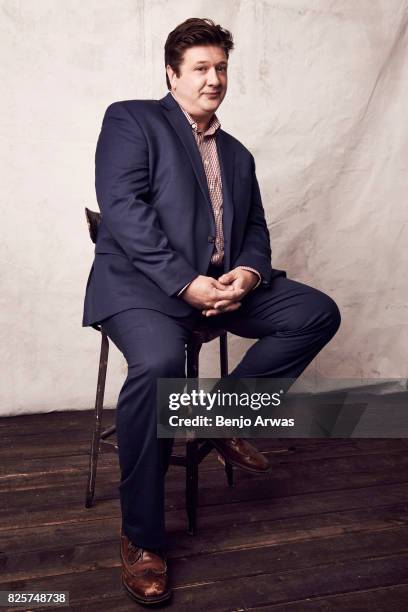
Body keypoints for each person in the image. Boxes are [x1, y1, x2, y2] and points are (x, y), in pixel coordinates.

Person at [83, 17, 341, 606]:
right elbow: (122, 209)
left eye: (221, 67)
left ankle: (224, 415)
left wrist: (247, 274)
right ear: (172, 73)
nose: (214, 78)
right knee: (156, 368)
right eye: (201, 67)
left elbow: (254, 230)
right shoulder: (132, 120)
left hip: (224, 289)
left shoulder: (238, 153)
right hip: (145, 290)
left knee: (315, 312)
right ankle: (142, 539)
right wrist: (183, 283)